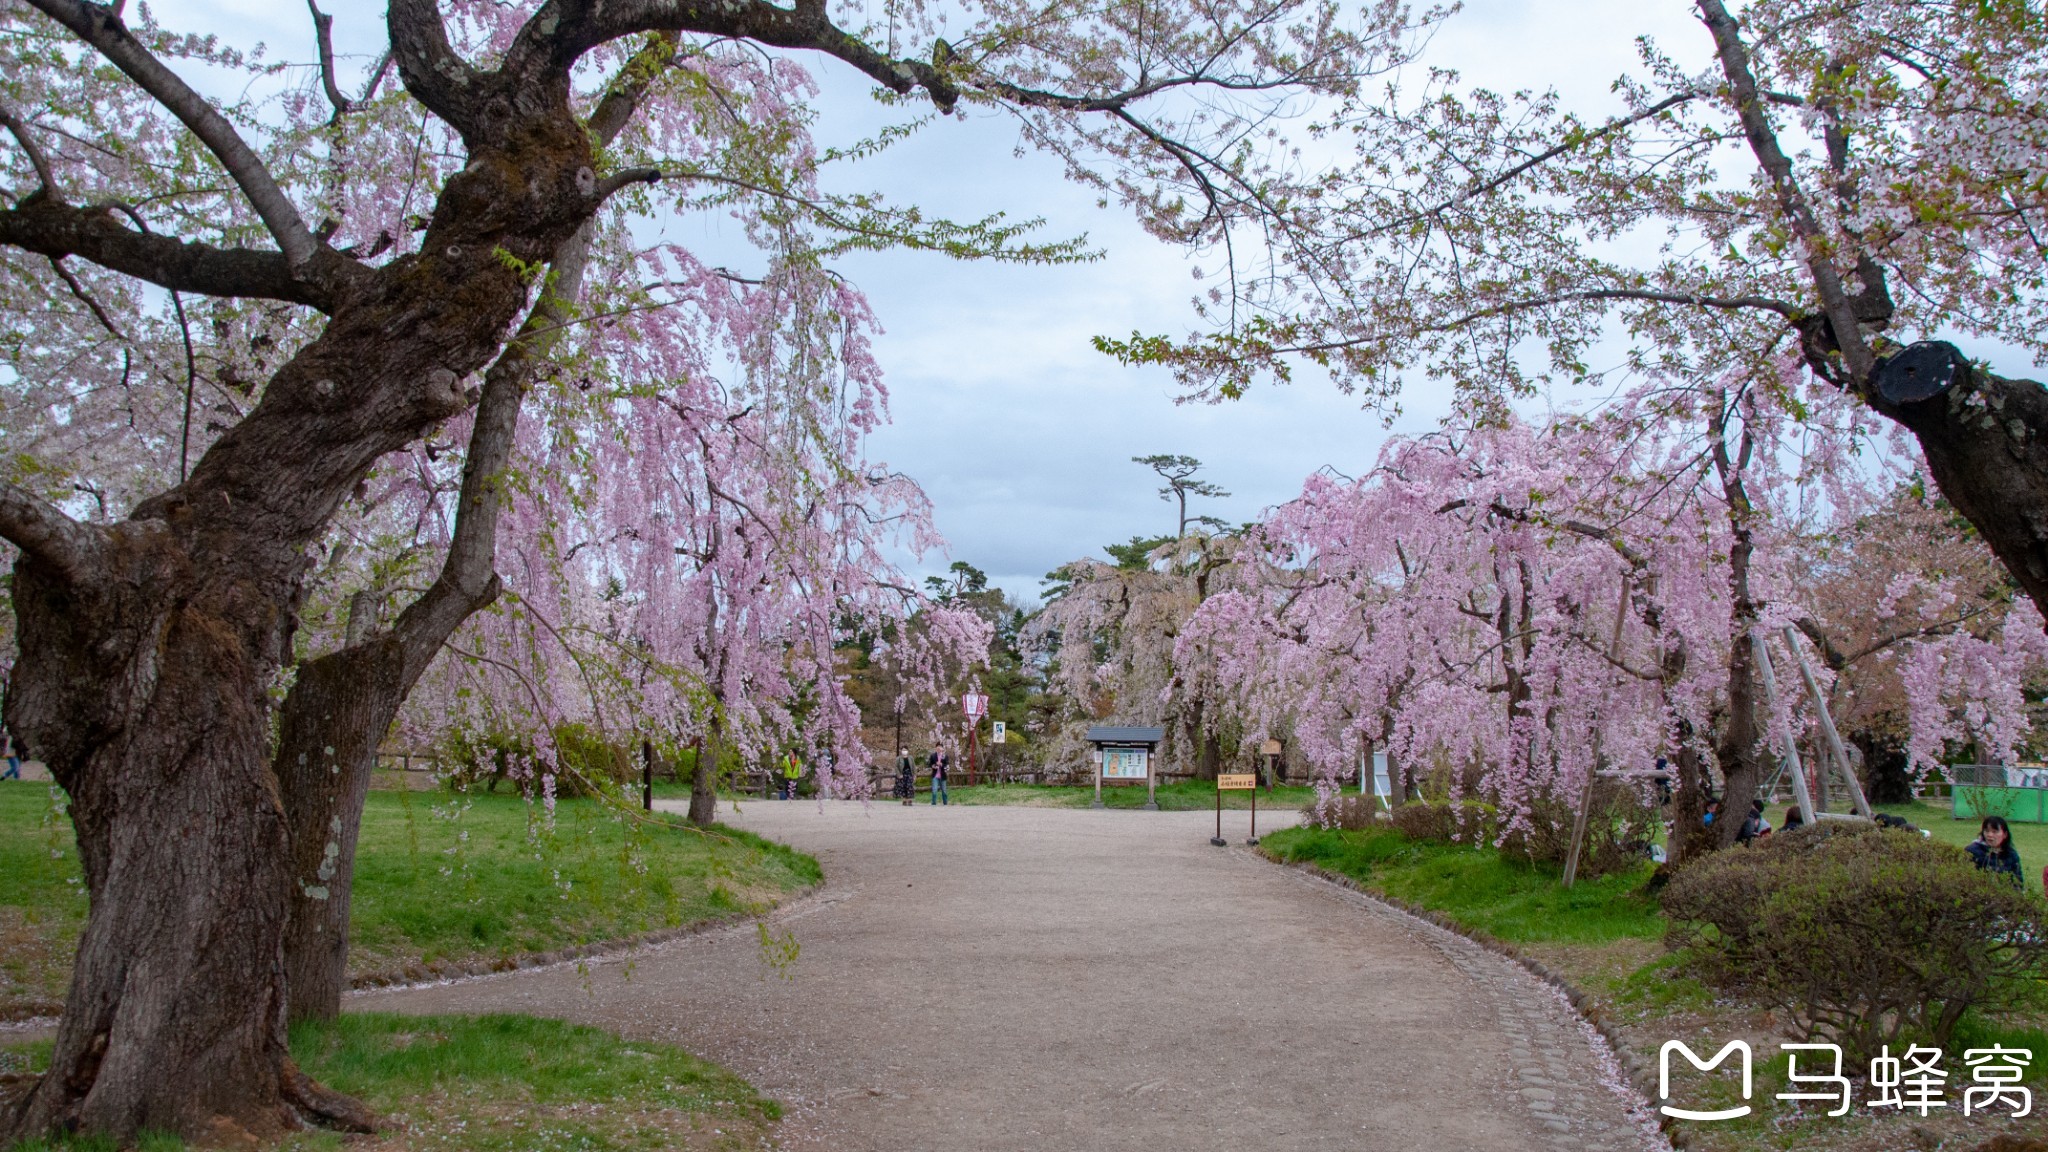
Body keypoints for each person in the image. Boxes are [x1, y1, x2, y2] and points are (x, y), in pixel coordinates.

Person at [1966, 815, 2024, 887]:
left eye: (1995, 832)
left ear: (2005, 834)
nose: (1990, 835)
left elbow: (2018, 882)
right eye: (1986, 831)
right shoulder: (1972, 851)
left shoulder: (2011, 854)